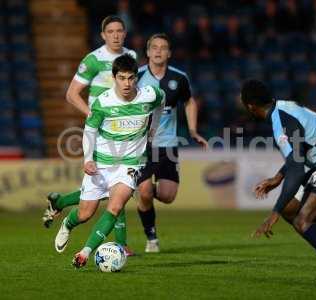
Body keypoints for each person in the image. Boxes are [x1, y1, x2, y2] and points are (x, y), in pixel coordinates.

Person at [241, 79, 316, 288]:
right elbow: (300, 152)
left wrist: (275, 212)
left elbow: (297, 170)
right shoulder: (284, 107)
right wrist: (278, 177)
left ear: (250, 106)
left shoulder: (281, 121)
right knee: (293, 210)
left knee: (303, 220)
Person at [42, 15, 137, 256]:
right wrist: (93, 114)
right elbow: (72, 94)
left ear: (124, 33)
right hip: (100, 134)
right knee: (90, 207)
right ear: (103, 35)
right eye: (111, 31)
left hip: (125, 132)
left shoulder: (132, 58)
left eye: (120, 31)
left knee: (119, 186)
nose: (116, 35)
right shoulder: (93, 59)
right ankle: (65, 212)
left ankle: (121, 244)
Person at [71, 53, 164, 268]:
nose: (127, 83)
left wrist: (153, 128)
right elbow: (89, 130)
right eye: (122, 78)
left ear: (136, 78)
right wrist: (87, 159)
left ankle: (84, 252)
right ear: (114, 78)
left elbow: (161, 102)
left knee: (115, 207)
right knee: (85, 212)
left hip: (131, 164)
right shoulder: (102, 102)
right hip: (103, 161)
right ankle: (66, 219)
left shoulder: (150, 95)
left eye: (131, 78)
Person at [135, 33, 208, 252]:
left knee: (168, 196)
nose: (158, 51)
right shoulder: (136, 77)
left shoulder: (179, 78)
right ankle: (151, 237)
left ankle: (140, 190)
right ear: (147, 52)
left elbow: (189, 102)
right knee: (146, 191)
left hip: (168, 145)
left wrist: (193, 130)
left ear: (169, 53)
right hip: (142, 146)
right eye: (154, 47)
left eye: (163, 47)